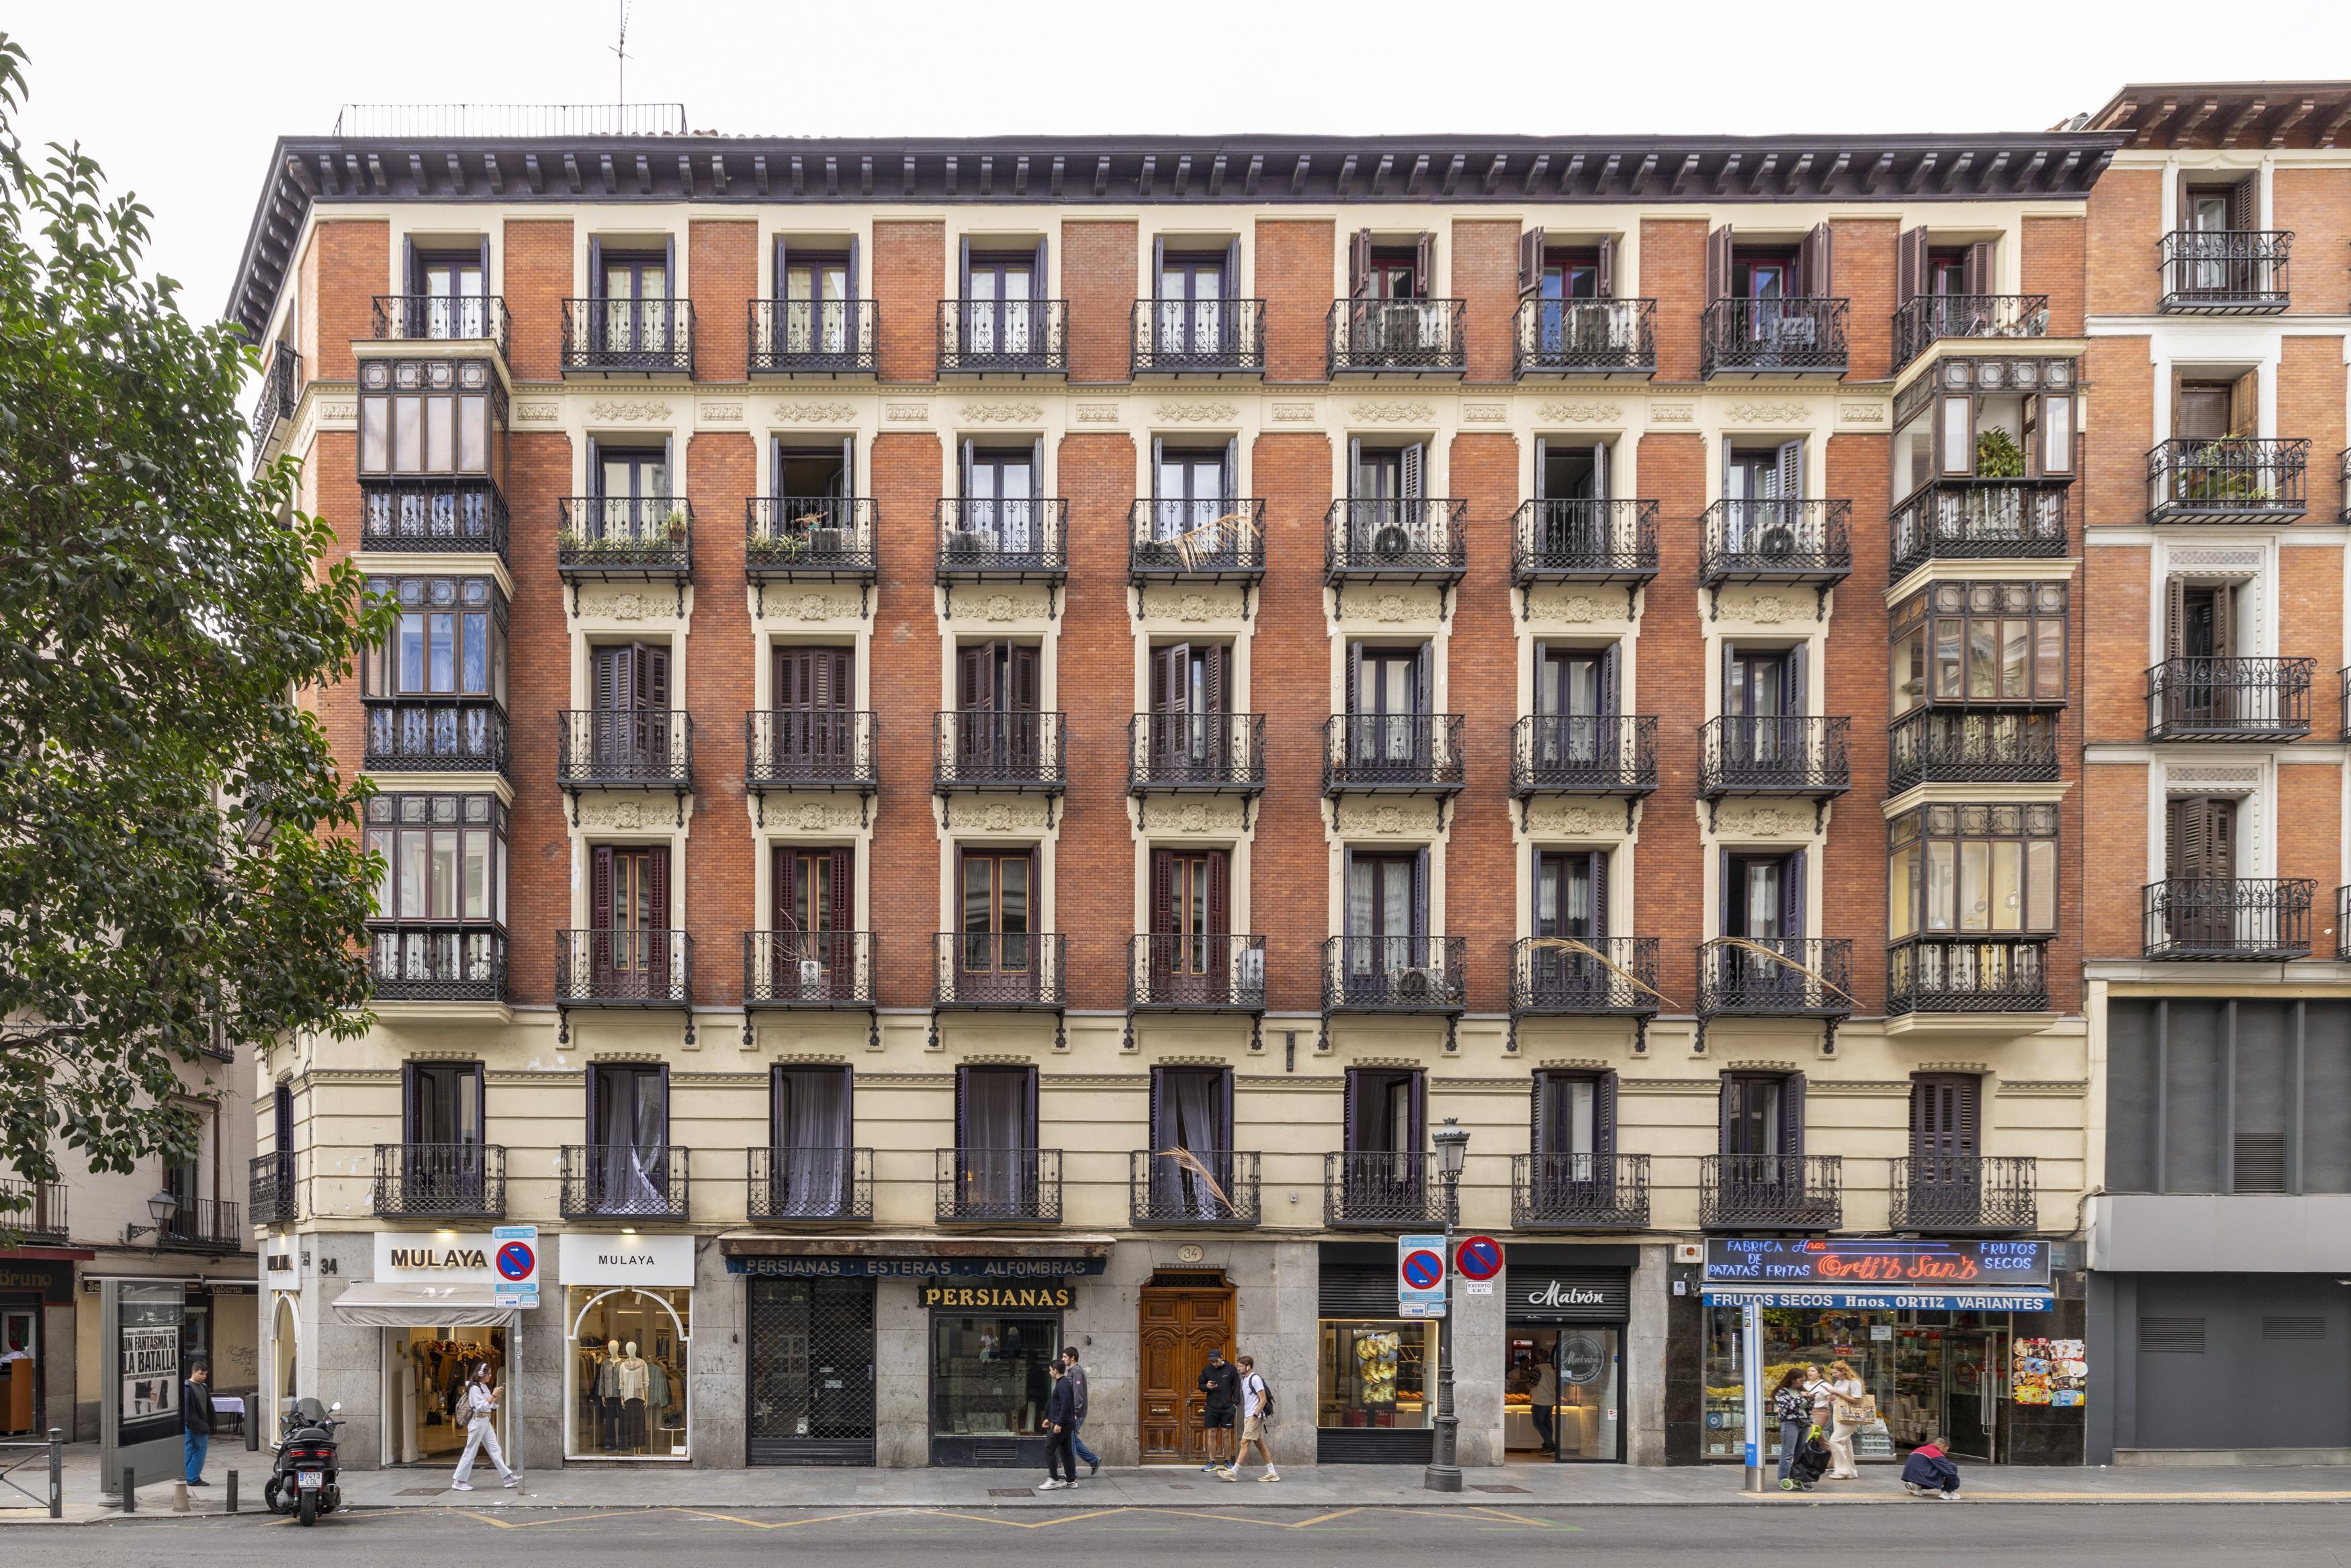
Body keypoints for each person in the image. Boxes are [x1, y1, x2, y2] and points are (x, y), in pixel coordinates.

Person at [449, 1361, 519, 1491]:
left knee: (495, 1449)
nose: (490, 1376)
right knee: (471, 1450)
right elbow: (481, 1406)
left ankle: (507, 1476)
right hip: (478, 1421)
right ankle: (459, 1480)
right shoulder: (474, 1388)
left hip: (485, 1421)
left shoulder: (483, 1386)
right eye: (489, 1374)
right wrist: (493, 1395)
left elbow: (492, 1406)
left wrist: (497, 1396)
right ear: (481, 1374)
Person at [1233, 1354, 1278, 1482]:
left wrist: (1255, 1415)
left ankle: (1233, 1472)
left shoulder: (1255, 1379)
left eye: (1241, 1366)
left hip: (1254, 1416)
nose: (1239, 1369)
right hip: (1249, 1416)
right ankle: (1272, 1473)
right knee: (1260, 1445)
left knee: (1244, 1442)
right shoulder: (1244, 1380)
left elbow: (1263, 1399)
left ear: (1248, 1367)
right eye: (1239, 1366)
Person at [1196, 1347, 1241, 1477]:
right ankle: (1211, 1462)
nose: (1214, 1363)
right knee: (1211, 1433)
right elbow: (1201, 1386)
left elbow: (1237, 1387)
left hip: (1227, 1407)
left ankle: (1227, 1461)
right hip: (1212, 1406)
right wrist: (1207, 1387)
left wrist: (1235, 1404)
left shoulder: (1231, 1369)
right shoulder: (1207, 1370)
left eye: (1216, 1361)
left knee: (1226, 1434)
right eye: (1212, 1362)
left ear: (1222, 1358)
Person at [1036, 1360, 1078, 1491]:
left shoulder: (1063, 1384)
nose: (1049, 1372)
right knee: (1066, 1452)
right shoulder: (1062, 1383)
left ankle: (1053, 1479)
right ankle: (1071, 1481)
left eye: (1050, 1370)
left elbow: (1065, 1405)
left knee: (1049, 1449)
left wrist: (1059, 1423)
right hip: (1065, 1423)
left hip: (1064, 1424)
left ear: (1055, 1370)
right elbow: (1058, 1405)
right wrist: (1049, 1419)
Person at [1823, 1358, 1867, 1481]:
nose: (1834, 1375)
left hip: (1850, 1417)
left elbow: (1857, 1399)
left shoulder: (1854, 1382)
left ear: (1843, 1371)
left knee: (1835, 1440)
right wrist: (1832, 1398)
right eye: (1832, 1373)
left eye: (1835, 1373)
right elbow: (1839, 1399)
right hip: (1838, 1415)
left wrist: (1838, 1394)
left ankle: (1843, 1470)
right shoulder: (1839, 1383)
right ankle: (1850, 1471)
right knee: (1845, 1442)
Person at [1059, 1346, 1098, 1477]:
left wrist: (1075, 1412)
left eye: (1065, 1357)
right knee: (1072, 1439)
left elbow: (1078, 1394)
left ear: (1072, 1358)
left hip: (1076, 1413)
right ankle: (1093, 1460)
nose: (1063, 1359)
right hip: (1074, 1413)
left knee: (1070, 1441)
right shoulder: (1073, 1372)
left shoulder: (1077, 1372)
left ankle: (1071, 1473)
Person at [1770, 1367, 1812, 1485]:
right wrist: (1800, 1398)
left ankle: (1797, 1476)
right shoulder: (1782, 1392)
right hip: (1790, 1423)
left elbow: (1807, 1408)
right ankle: (1782, 1478)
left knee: (1800, 1453)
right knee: (1788, 1453)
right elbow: (1786, 1408)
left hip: (1804, 1423)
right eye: (1801, 1380)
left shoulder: (1801, 1391)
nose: (1803, 1383)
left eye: (1804, 1380)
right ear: (1792, 1379)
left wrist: (1810, 1399)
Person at [182, 1360, 213, 1487]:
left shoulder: (203, 1387)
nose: (204, 1376)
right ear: (193, 1372)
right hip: (194, 1424)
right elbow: (187, 1409)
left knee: (191, 1450)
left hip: (197, 1423)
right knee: (198, 1451)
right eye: (201, 1374)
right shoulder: (187, 1387)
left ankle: (188, 1476)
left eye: (205, 1374)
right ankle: (193, 1478)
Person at [1902, 1436, 1961, 1500]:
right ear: (1943, 1446)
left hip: (1910, 1477)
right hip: (1923, 1476)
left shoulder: (1918, 1449)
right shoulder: (1935, 1453)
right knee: (1952, 1467)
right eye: (1947, 1449)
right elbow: (1950, 1472)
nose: (1946, 1452)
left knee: (1937, 1469)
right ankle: (1948, 1492)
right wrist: (1953, 1485)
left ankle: (1916, 1485)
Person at [1527, 1348, 1559, 1456]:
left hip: (1540, 1399)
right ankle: (1546, 1446)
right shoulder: (1553, 1368)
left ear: (1539, 1356)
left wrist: (1527, 1386)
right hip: (1551, 1399)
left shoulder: (1537, 1368)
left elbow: (1532, 1383)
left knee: (1538, 1424)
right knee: (1547, 1423)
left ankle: (1550, 1446)